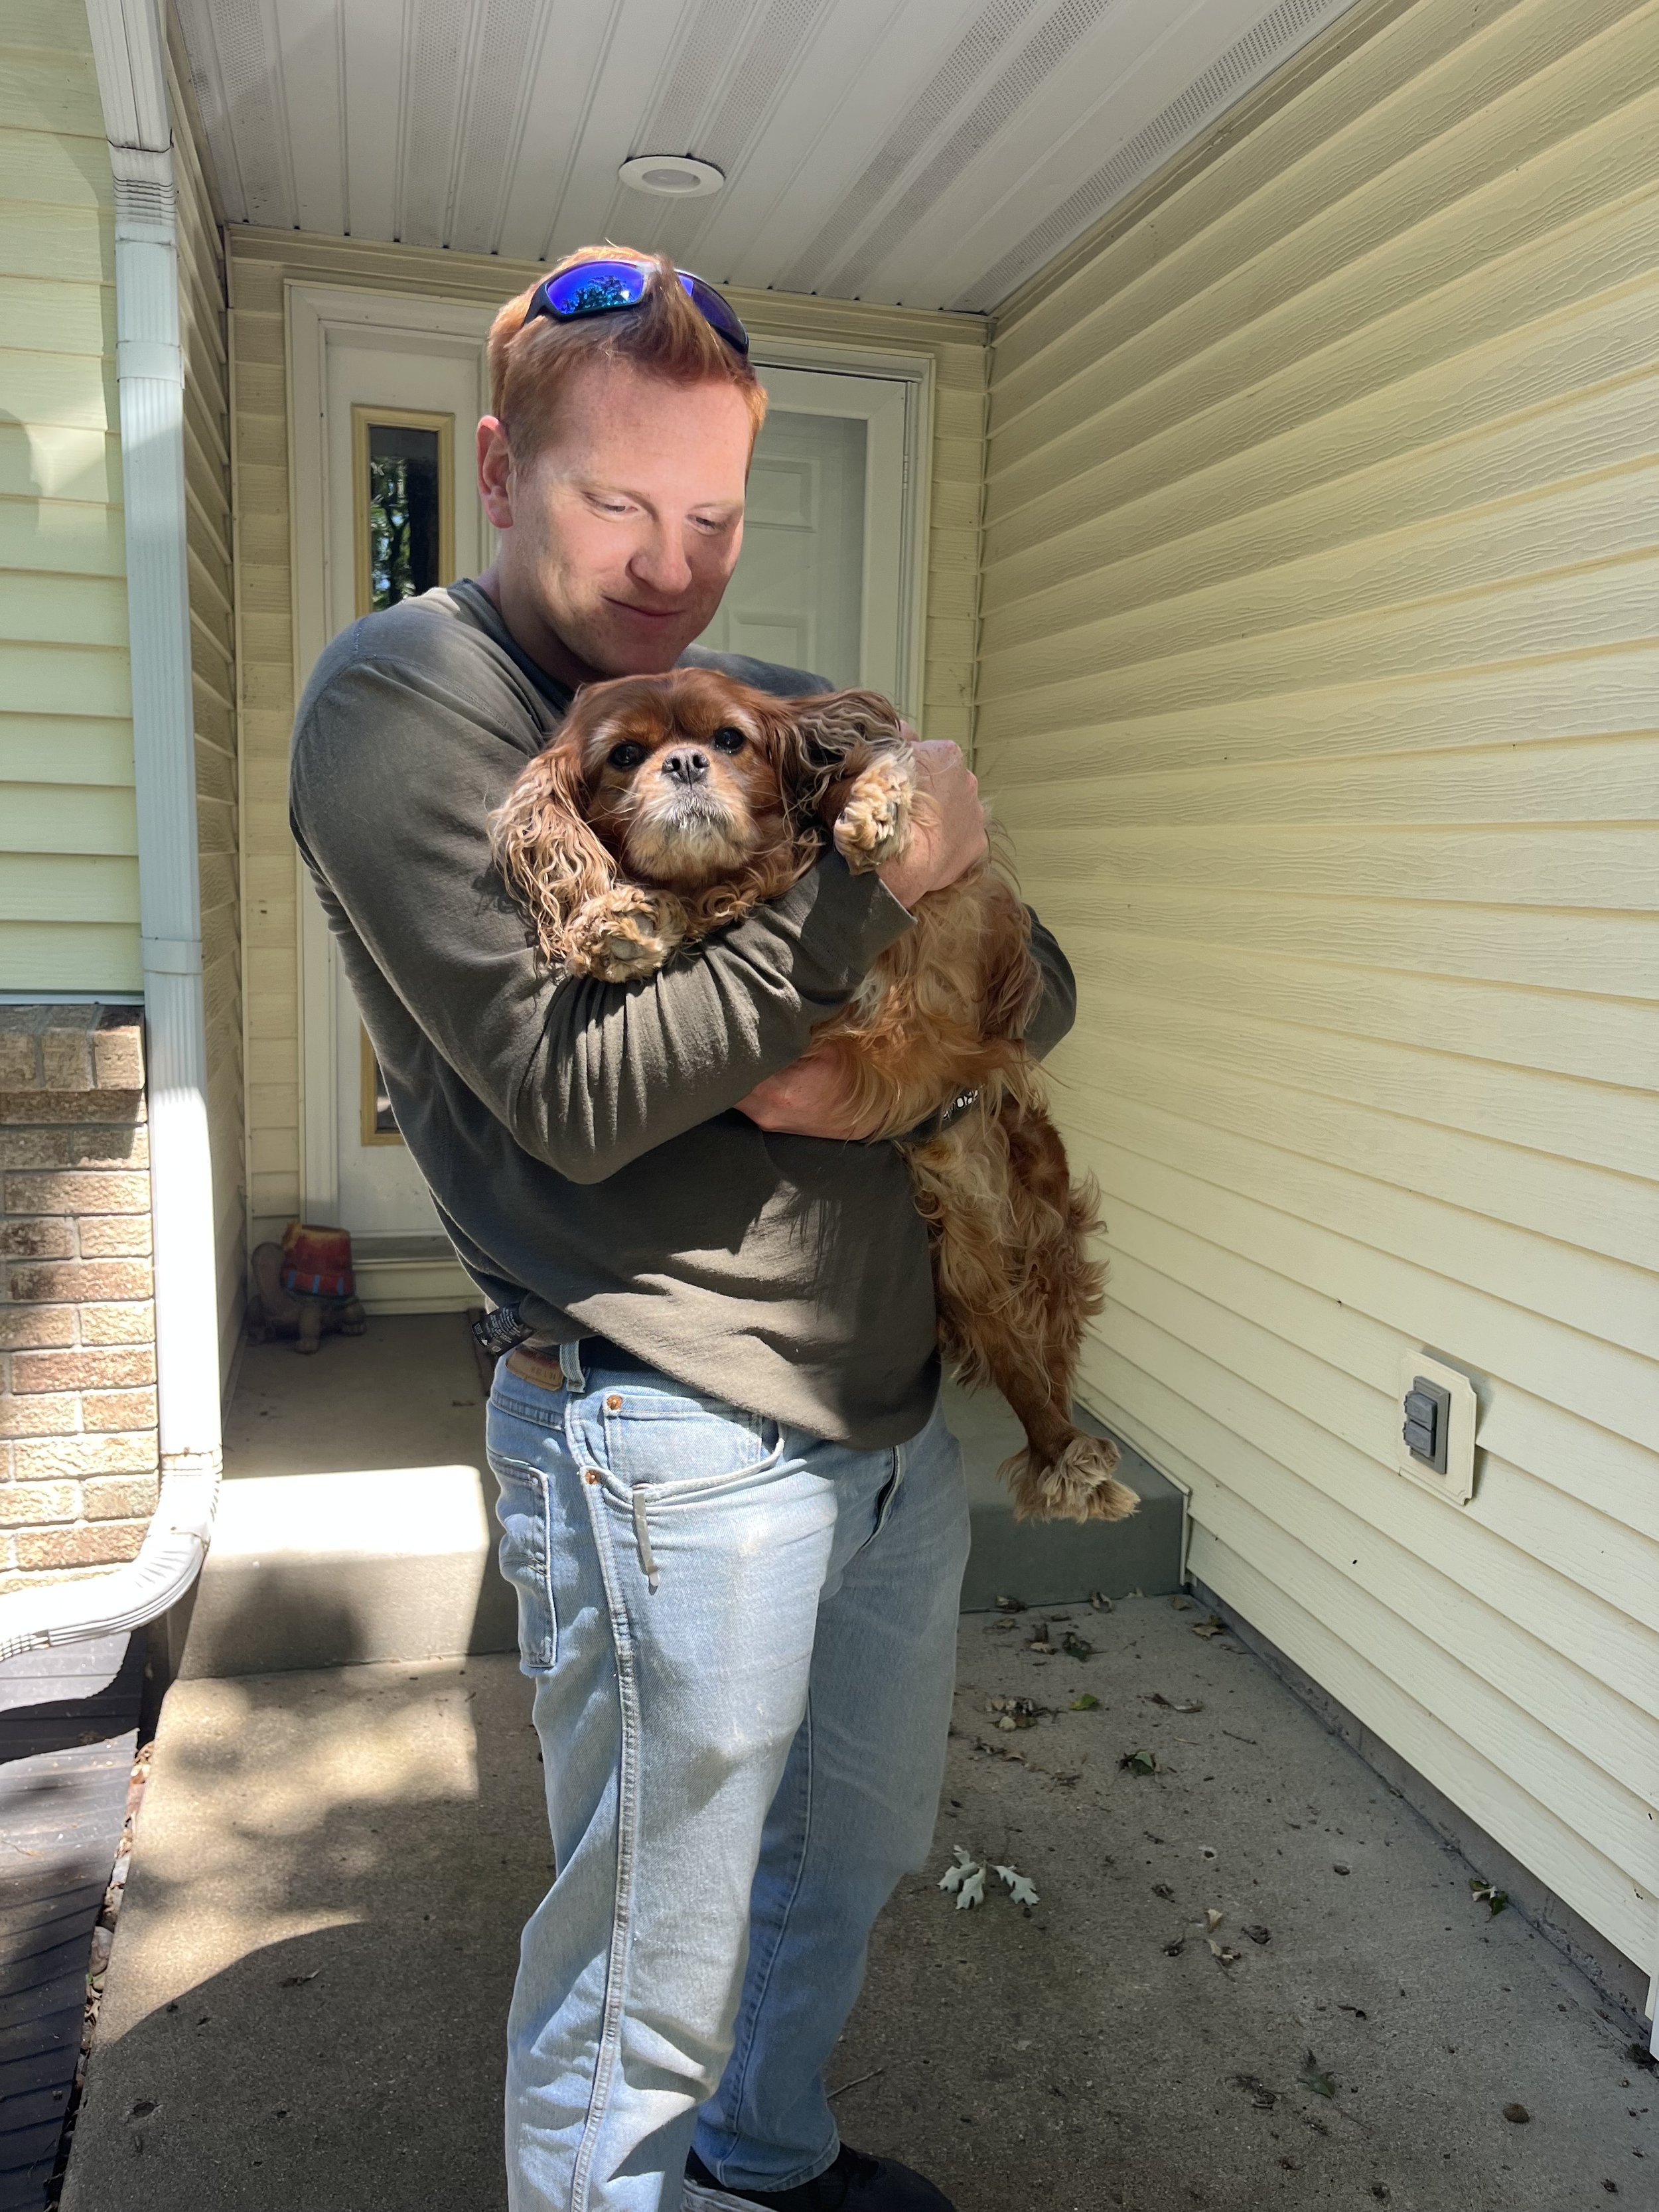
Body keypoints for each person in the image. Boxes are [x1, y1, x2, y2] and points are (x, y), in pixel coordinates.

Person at [290, 247, 1076, 2212]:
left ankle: (766, 2157)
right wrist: (858, 909)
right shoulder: (409, 701)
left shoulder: (773, 699)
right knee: (647, 1958)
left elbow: (1034, 983)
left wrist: (875, 1065)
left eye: (713, 513)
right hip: (665, 1431)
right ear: (494, 469)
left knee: (849, 1857)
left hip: (884, 1427)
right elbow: (574, 1096)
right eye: (614, 502)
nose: (670, 563)